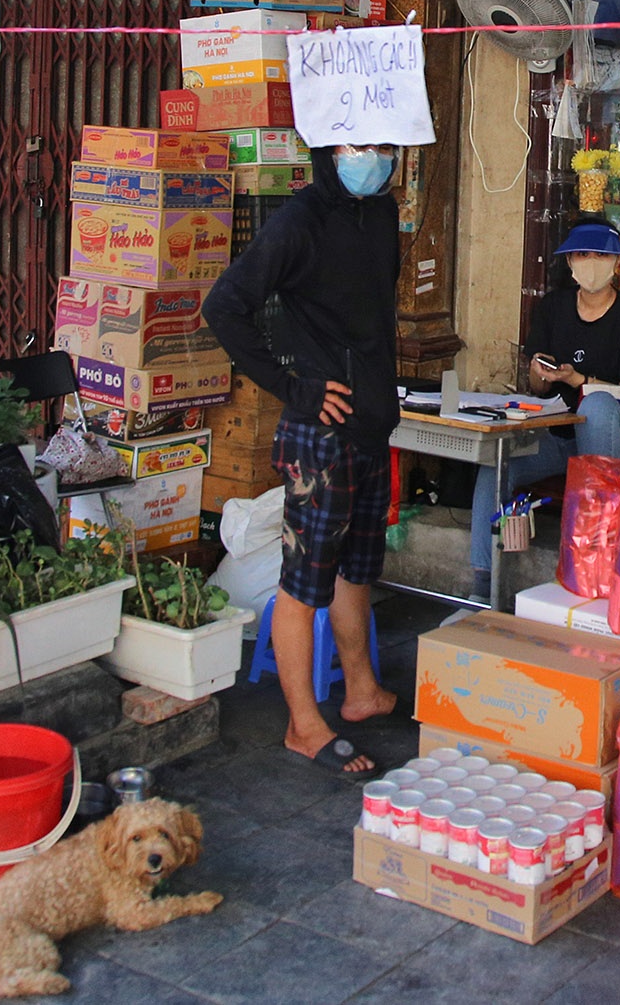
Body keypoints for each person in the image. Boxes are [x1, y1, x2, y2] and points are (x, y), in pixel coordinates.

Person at [203, 142, 402, 778]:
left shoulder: (381, 213)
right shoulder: (298, 220)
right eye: (355, 147)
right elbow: (224, 307)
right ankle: (301, 724)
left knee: (355, 569)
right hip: (319, 438)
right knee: (305, 580)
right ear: (327, 149)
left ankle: (361, 691)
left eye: (384, 147)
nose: (372, 158)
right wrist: (295, 387)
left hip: (370, 429)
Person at [466, 220, 620, 591]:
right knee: (495, 467)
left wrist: (579, 381)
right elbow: (536, 387)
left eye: (600, 254)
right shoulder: (553, 307)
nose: (591, 262)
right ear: (569, 261)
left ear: (616, 262)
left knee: (598, 406)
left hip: (615, 442)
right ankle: (482, 587)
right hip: (556, 438)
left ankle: (589, 561)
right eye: (582, 254)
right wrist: (541, 373)